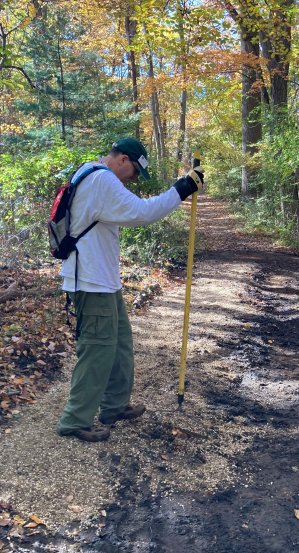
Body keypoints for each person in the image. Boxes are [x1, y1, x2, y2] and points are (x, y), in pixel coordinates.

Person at [57, 137, 203, 443]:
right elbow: (142, 213)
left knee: (120, 344)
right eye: (135, 171)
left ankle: (114, 406)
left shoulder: (90, 172)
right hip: (90, 281)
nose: (134, 178)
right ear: (123, 159)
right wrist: (182, 188)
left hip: (103, 280)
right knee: (97, 349)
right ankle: (75, 420)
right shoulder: (101, 179)